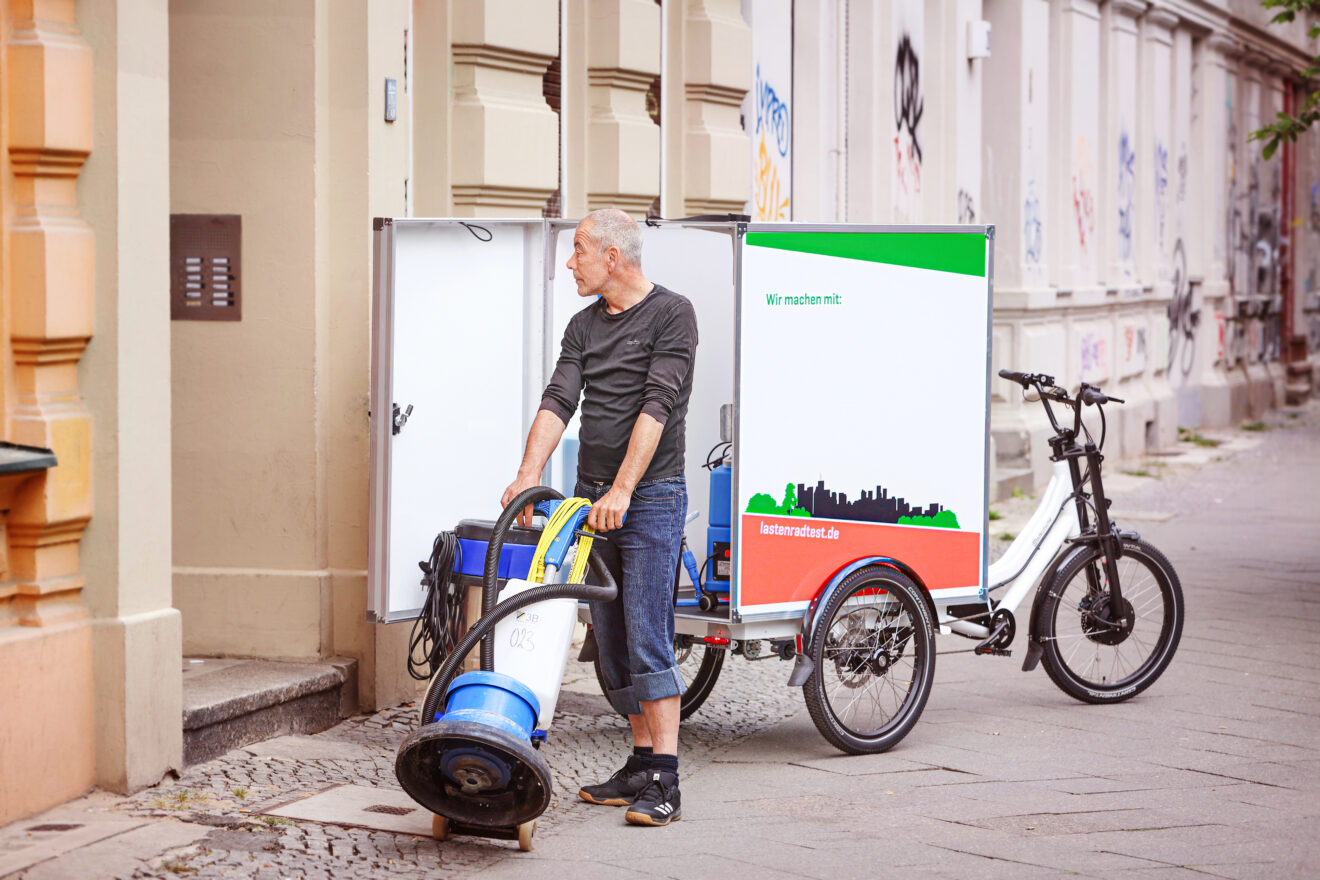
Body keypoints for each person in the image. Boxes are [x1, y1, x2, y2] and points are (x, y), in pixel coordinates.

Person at [501, 208, 697, 827]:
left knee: (645, 634)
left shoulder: (672, 314)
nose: (570, 261)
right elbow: (559, 399)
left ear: (613, 256)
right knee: (609, 642)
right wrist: (529, 474)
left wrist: (622, 490)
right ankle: (640, 762)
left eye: (579, 249)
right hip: (592, 496)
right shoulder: (584, 325)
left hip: (650, 497)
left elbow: (657, 405)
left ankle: (665, 780)